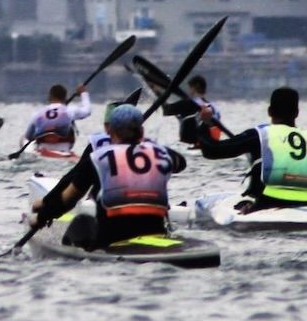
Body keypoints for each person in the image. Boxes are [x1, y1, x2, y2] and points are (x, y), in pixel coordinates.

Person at [32, 102, 187, 250]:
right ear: (141, 131)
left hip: (112, 241)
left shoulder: (97, 159)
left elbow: (68, 199)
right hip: (156, 233)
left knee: (82, 221)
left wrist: (42, 217)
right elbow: (181, 164)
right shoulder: (163, 153)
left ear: (110, 131)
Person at [198, 86, 307, 210]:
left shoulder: (260, 135)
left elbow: (212, 150)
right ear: (297, 113)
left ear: (269, 111)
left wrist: (205, 123)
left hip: (267, 201)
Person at [22, 83, 92, 151]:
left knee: (24, 137)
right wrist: (83, 93)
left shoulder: (37, 113)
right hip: (64, 146)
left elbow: (28, 136)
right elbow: (87, 111)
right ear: (65, 97)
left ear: (49, 97)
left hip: (43, 147)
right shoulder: (70, 110)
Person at [168, 76, 223, 149]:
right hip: (212, 145)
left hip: (192, 148)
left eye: (190, 88)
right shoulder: (213, 106)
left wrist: (160, 93)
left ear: (195, 87)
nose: (189, 91)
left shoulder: (189, 103)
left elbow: (166, 110)